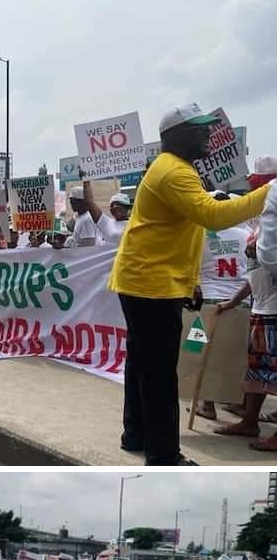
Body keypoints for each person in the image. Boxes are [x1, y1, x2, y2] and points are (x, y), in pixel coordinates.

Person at [107, 103, 271, 466]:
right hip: (151, 284)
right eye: (200, 130)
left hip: (146, 279)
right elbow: (212, 214)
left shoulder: (170, 169)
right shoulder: (175, 172)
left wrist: (191, 280)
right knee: (159, 372)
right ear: (178, 136)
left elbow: (183, 232)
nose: (209, 135)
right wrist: (270, 192)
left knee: (141, 363)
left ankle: (134, 434)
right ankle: (163, 455)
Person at [215, 181, 277, 450]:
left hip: (274, 313)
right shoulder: (258, 232)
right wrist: (232, 302)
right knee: (257, 374)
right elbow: (254, 278)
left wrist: (262, 253)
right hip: (260, 311)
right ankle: (249, 421)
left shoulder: (268, 240)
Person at [193, 191, 250, 421]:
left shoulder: (200, 234)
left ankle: (207, 405)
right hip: (242, 301)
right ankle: (239, 401)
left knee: (197, 350)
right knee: (238, 355)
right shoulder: (246, 234)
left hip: (210, 301)